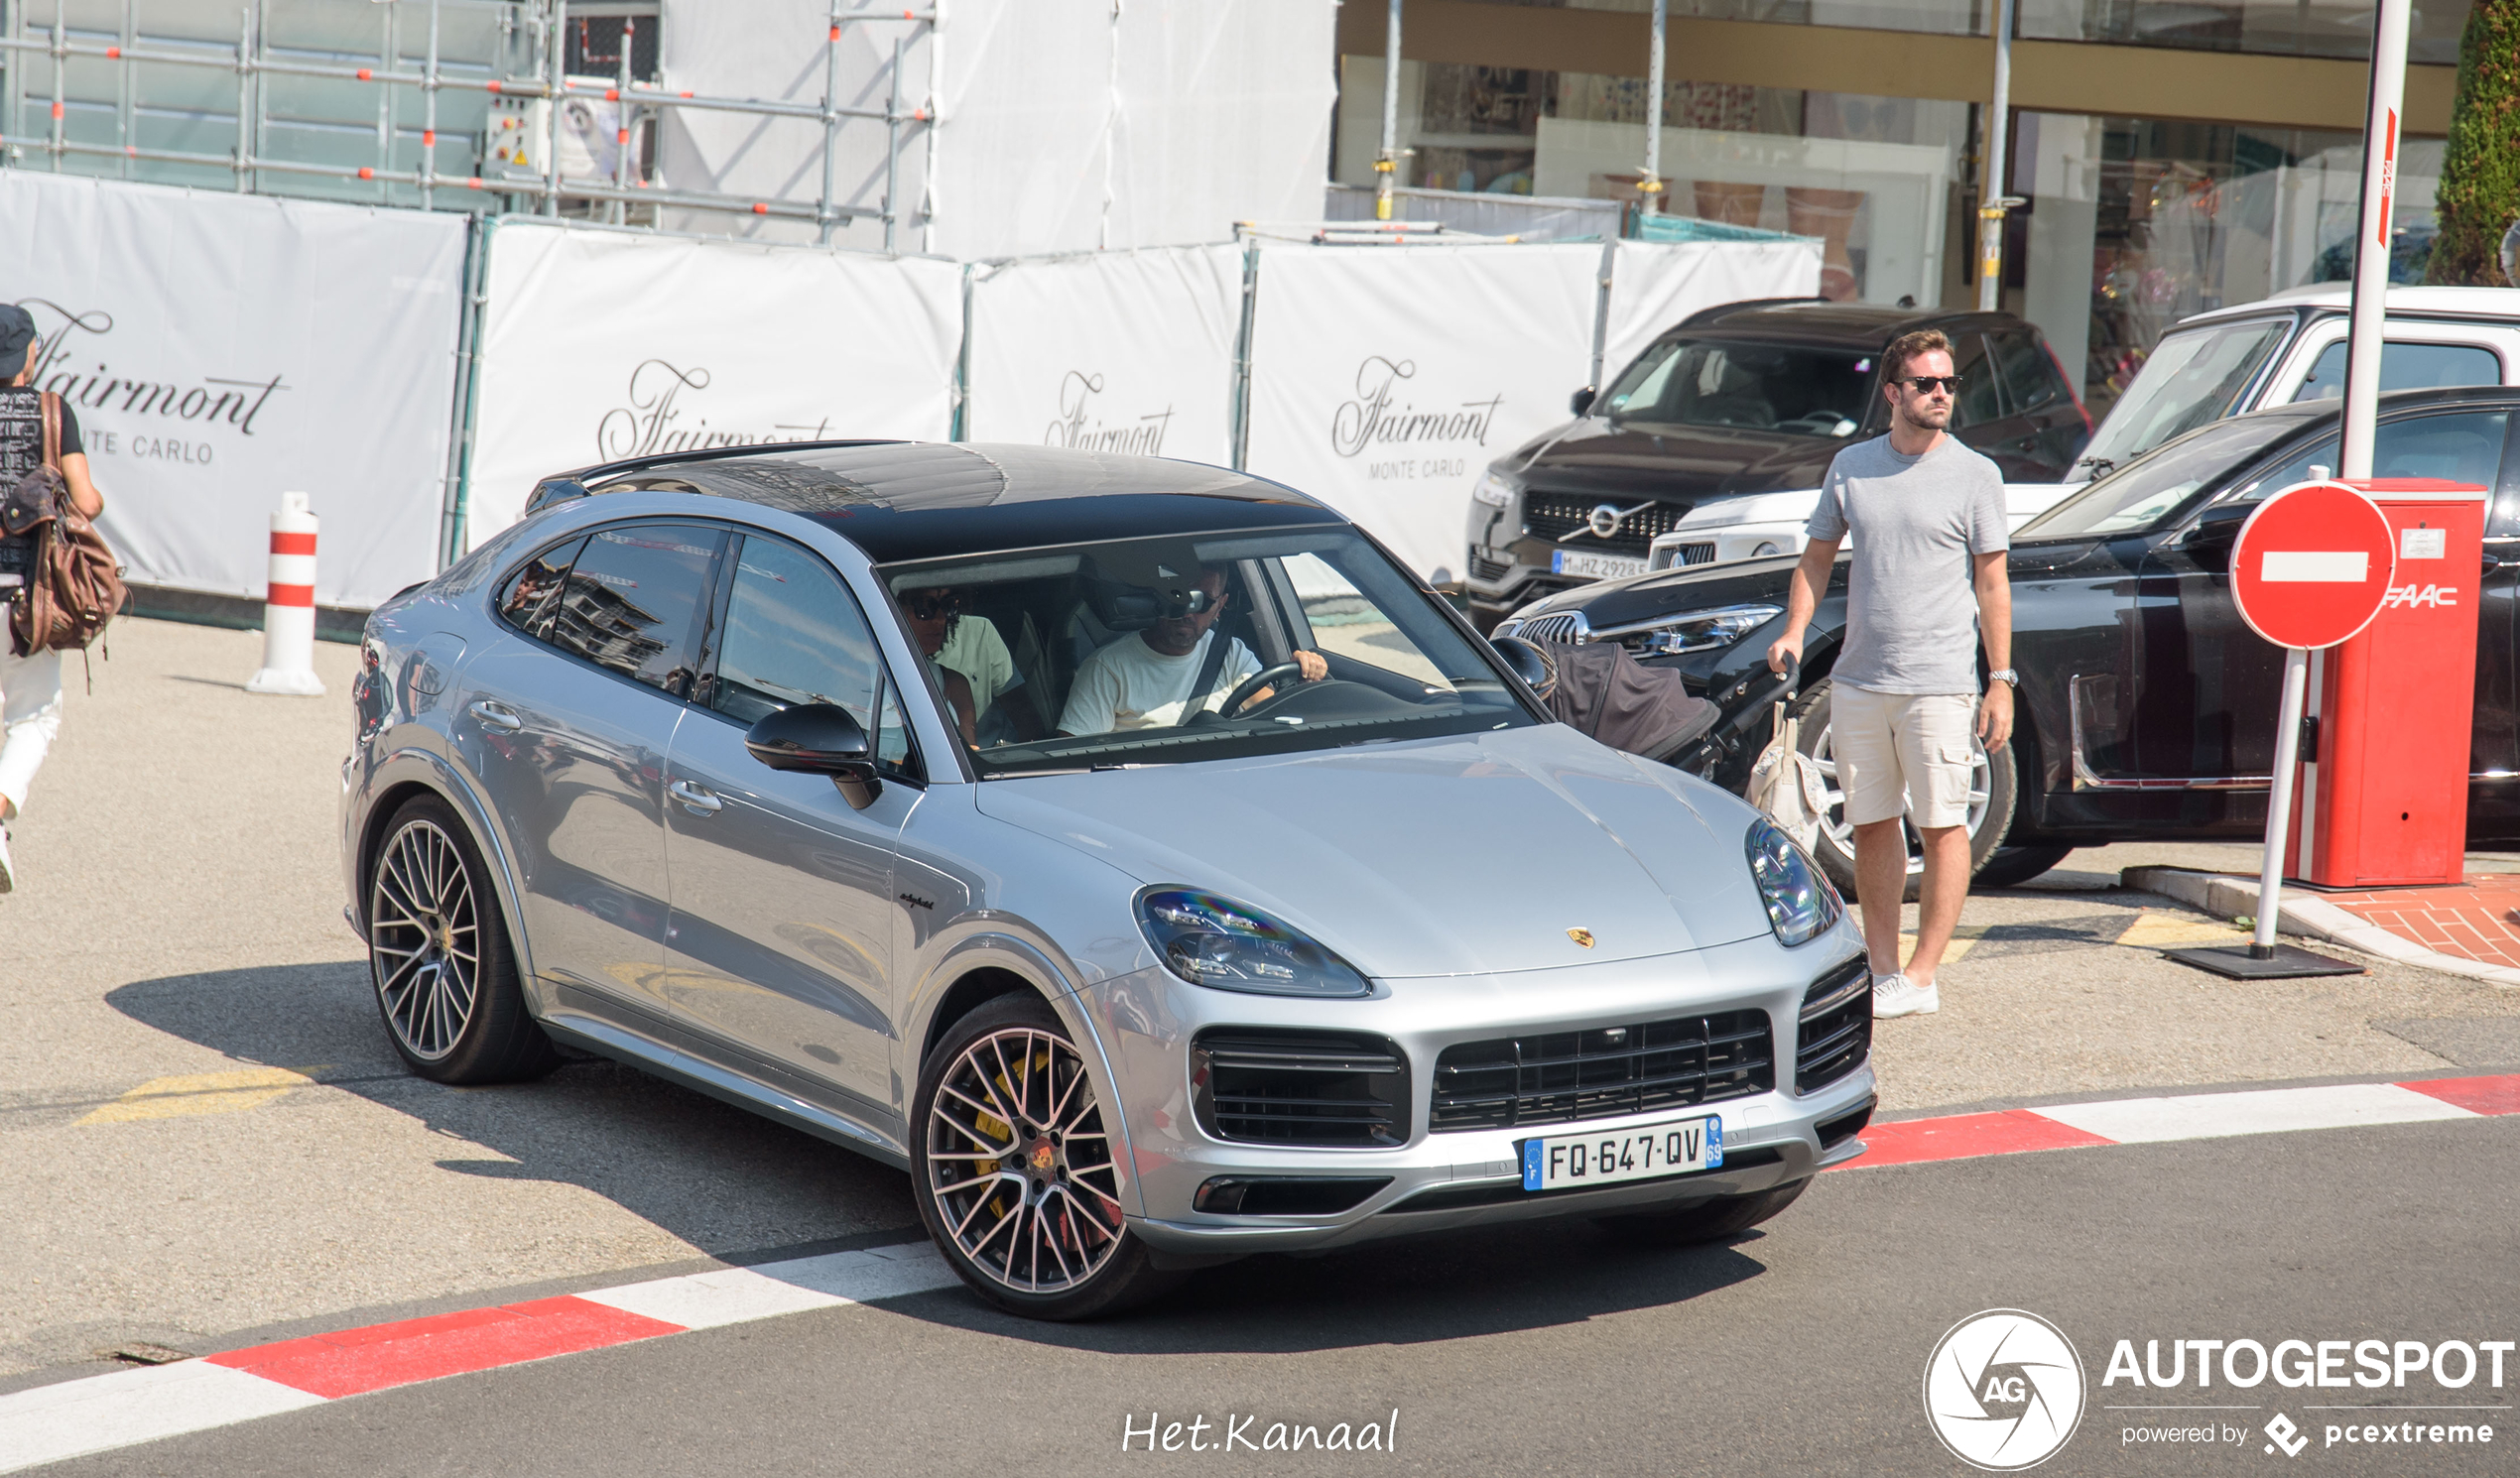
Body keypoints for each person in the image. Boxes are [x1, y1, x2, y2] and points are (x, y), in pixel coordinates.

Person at [1764, 328, 2012, 1020]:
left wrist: (2001, 680)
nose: (1941, 394)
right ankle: (1883, 968)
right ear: (1894, 392)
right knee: (1872, 823)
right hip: (1860, 679)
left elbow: (1993, 585)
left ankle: (1923, 974)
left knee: (1941, 827)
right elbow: (1815, 560)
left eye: (1949, 383)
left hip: (1939, 681)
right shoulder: (1852, 465)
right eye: (1927, 383)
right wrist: (1791, 631)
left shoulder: (1975, 474)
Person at [0, 306, 108, 894]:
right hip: (26, 598)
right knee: (33, 717)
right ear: (29, 356)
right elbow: (86, 502)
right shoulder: (50, 411)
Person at [1058, 566, 1326, 734]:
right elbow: (1074, 763)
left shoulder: (1231, 654)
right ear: (1157, 598)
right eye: (1177, 597)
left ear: (1220, 606)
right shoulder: (1107, 669)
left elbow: (1272, 716)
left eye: (1202, 602)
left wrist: (1302, 682)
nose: (1187, 611)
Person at [902, 586, 1038, 747]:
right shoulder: (873, 663)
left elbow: (1022, 710)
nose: (940, 619)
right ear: (894, 607)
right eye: (924, 608)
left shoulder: (978, 635)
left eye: (949, 605)